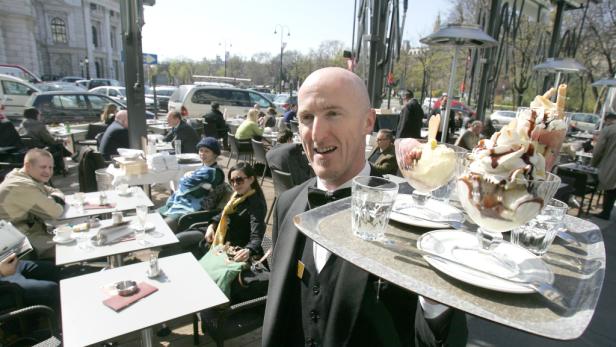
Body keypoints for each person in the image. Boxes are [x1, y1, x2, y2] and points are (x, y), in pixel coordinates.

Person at [262, 67, 467, 347]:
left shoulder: (415, 216)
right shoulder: (289, 203)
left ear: (368, 122)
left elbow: (434, 337)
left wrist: (435, 301)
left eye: (333, 113)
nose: (317, 134)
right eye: (306, 117)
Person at [0, 149, 65, 259]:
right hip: (18, 245)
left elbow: (52, 190)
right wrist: (56, 199)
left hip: (27, 232)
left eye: (51, 167)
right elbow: (55, 212)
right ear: (28, 165)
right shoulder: (20, 185)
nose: (48, 172)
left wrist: (52, 198)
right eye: (43, 167)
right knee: (71, 247)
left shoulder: (22, 176)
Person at [159, 137, 226, 231]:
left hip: (194, 209)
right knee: (154, 216)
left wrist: (186, 178)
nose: (202, 154)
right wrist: (188, 179)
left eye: (207, 151)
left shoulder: (214, 172)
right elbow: (187, 183)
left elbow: (195, 192)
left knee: (163, 227)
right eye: (201, 150)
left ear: (215, 154)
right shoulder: (203, 168)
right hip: (183, 202)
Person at [19, 107, 70, 174]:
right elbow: (50, 140)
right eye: (39, 114)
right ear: (35, 115)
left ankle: (68, 156)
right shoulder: (38, 124)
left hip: (27, 149)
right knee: (58, 145)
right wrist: (62, 140)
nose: (40, 116)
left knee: (58, 144)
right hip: (40, 148)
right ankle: (59, 168)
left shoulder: (21, 125)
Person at [591, 112, 616, 220]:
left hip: (612, 164)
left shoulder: (609, 130)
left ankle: (606, 212)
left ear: (608, 120)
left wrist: (593, 163)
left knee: (610, 189)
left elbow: (598, 149)